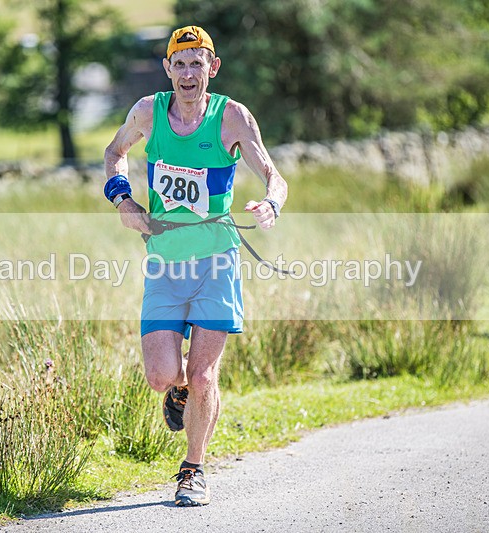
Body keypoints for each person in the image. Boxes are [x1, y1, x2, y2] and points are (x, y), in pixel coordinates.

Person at [103, 25, 288, 507]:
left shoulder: (232, 118)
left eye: (197, 64)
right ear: (168, 69)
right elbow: (114, 152)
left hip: (216, 263)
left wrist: (271, 203)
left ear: (213, 67)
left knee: (204, 374)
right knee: (162, 375)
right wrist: (122, 200)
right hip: (165, 264)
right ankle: (179, 389)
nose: (188, 74)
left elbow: (274, 174)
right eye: (180, 64)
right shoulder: (148, 112)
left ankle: (193, 469)